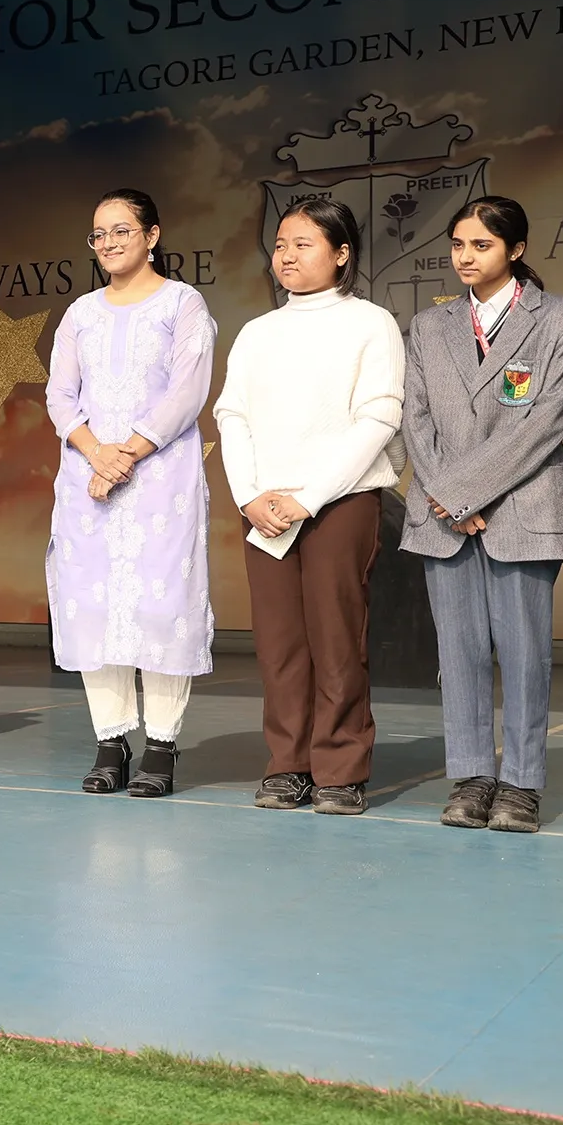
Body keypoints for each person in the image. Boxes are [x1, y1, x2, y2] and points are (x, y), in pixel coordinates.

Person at [402, 197, 563, 834]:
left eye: (481, 245)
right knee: (457, 654)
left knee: (525, 654)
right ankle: (472, 776)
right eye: (458, 244)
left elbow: (545, 422)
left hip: (521, 508)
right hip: (443, 516)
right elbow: (415, 420)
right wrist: (448, 498)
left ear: (515, 249)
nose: (465, 256)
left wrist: (465, 494)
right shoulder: (429, 326)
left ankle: (522, 782)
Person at [215, 198, 405, 816]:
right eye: (280, 245)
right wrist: (249, 495)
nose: (287, 256)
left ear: (342, 253)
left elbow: (379, 417)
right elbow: (232, 414)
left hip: (339, 502)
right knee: (279, 644)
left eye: (303, 244)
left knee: (336, 638)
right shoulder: (257, 332)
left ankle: (341, 768)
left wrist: (308, 497)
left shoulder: (371, 323)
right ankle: (288, 765)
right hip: (266, 508)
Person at [45, 190, 217, 798]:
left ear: (152, 235)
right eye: (98, 234)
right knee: (95, 606)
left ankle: (162, 746)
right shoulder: (80, 313)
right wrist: (97, 453)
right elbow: (59, 395)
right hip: (87, 478)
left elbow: (188, 390)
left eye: (122, 230)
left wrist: (127, 455)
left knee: (159, 606)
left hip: (159, 478)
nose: (109, 243)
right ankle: (110, 741)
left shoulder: (182, 303)